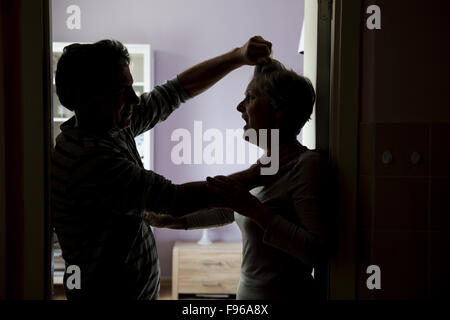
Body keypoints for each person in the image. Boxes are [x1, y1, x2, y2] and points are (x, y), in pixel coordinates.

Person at [51, 36, 273, 300]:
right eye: (122, 91)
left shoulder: (108, 126)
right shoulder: (89, 158)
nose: (134, 99)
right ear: (86, 98)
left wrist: (238, 56)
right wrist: (258, 173)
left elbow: (174, 91)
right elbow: (175, 199)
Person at [146, 59, 328, 300]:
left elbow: (317, 252)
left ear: (278, 110)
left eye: (250, 98)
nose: (240, 107)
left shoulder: (306, 165)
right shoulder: (266, 166)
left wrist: (254, 209)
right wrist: (173, 221)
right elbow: (230, 210)